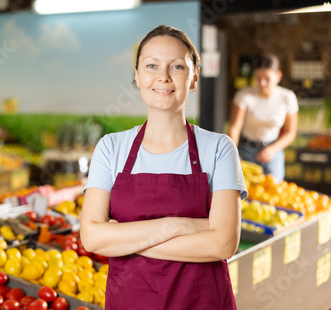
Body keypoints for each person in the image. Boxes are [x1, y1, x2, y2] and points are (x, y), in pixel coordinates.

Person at [80, 25, 247, 309]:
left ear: (194, 78)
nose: (163, 77)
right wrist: (179, 225)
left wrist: (125, 240)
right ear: (137, 75)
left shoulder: (219, 148)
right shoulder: (111, 148)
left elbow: (223, 244)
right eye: (151, 65)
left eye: (178, 66)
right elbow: (92, 238)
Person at [228, 54, 298, 183]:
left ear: (278, 76)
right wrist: (233, 154)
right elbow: (234, 128)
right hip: (246, 149)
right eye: (258, 78)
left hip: (274, 150)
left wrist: (273, 149)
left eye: (267, 78)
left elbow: (290, 133)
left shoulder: (287, 97)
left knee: (273, 191)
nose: (262, 83)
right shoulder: (244, 95)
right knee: (246, 192)